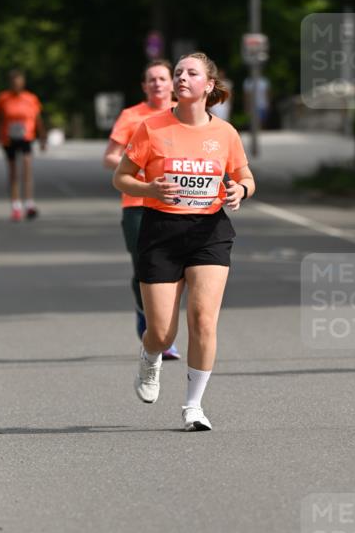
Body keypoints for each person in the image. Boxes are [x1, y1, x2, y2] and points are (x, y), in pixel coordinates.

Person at [113, 51, 255, 431]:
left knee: (203, 320)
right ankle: (149, 356)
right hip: (161, 230)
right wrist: (149, 188)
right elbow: (121, 177)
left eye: (191, 73)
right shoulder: (151, 127)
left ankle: (194, 405)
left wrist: (240, 190)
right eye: (177, 72)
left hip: (209, 231)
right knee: (162, 332)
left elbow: (245, 177)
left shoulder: (225, 133)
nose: (181, 78)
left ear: (208, 86)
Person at [103, 59, 180, 360]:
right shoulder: (132, 116)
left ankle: (163, 332)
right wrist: (139, 172)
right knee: (144, 269)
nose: (158, 84)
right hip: (137, 203)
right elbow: (110, 157)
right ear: (144, 86)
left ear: (172, 84)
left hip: (176, 204)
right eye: (152, 79)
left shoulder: (183, 114)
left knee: (173, 271)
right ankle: (147, 319)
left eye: (162, 78)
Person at [0, 70, 47, 220]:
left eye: (19, 82)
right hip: (9, 138)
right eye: (14, 82)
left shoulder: (30, 98)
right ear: (10, 83)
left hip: (26, 136)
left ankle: (29, 203)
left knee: (27, 168)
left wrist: (43, 137)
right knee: (13, 172)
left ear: (23, 83)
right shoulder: (3, 98)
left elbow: (38, 119)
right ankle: (16, 205)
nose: (17, 85)